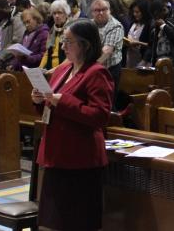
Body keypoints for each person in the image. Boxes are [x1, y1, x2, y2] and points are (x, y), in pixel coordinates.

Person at [32, 19, 112, 231]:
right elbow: (53, 107)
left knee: (77, 223)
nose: (63, 46)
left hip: (80, 158)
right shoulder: (62, 70)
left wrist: (63, 100)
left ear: (85, 45)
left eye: (69, 42)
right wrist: (40, 101)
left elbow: (100, 116)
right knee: (51, 222)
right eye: (63, 41)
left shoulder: (96, 73)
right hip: (56, 155)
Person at [90, 0, 124, 97]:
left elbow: (106, 52)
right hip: (94, 68)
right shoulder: (89, 24)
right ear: (92, 12)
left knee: (107, 101)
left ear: (109, 10)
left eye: (104, 9)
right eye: (97, 10)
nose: (100, 13)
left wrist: (89, 69)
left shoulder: (115, 26)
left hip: (110, 70)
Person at [0, 0, 25, 68]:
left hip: (9, 60)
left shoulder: (17, 18)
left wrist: (2, 56)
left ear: (6, 8)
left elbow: (17, 41)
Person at [40, 0, 73, 71]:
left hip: (65, 69)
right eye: (54, 13)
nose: (57, 16)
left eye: (60, 13)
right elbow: (47, 53)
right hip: (50, 68)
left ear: (66, 14)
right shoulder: (52, 30)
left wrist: (56, 70)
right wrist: (40, 68)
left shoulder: (71, 30)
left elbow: (71, 57)